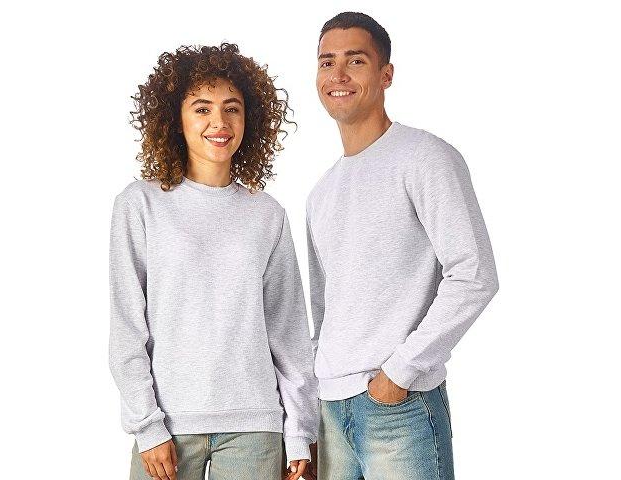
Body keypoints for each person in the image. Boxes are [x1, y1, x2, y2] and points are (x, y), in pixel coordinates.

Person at [108, 43, 318, 480]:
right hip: (168, 426)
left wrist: (299, 431)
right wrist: (147, 427)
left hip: (255, 429)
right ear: (175, 119)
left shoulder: (267, 214)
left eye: (231, 109)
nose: (219, 123)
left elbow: (289, 334)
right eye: (202, 108)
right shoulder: (140, 205)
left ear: (249, 118)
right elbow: (127, 328)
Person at [304, 12, 500, 480]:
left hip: (399, 407)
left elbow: (474, 274)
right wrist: (310, 413)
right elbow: (324, 311)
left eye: (355, 61)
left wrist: (400, 372)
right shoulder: (320, 192)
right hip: (330, 411)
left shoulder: (425, 158)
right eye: (327, 62)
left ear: (385, 74)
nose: (338, 74)